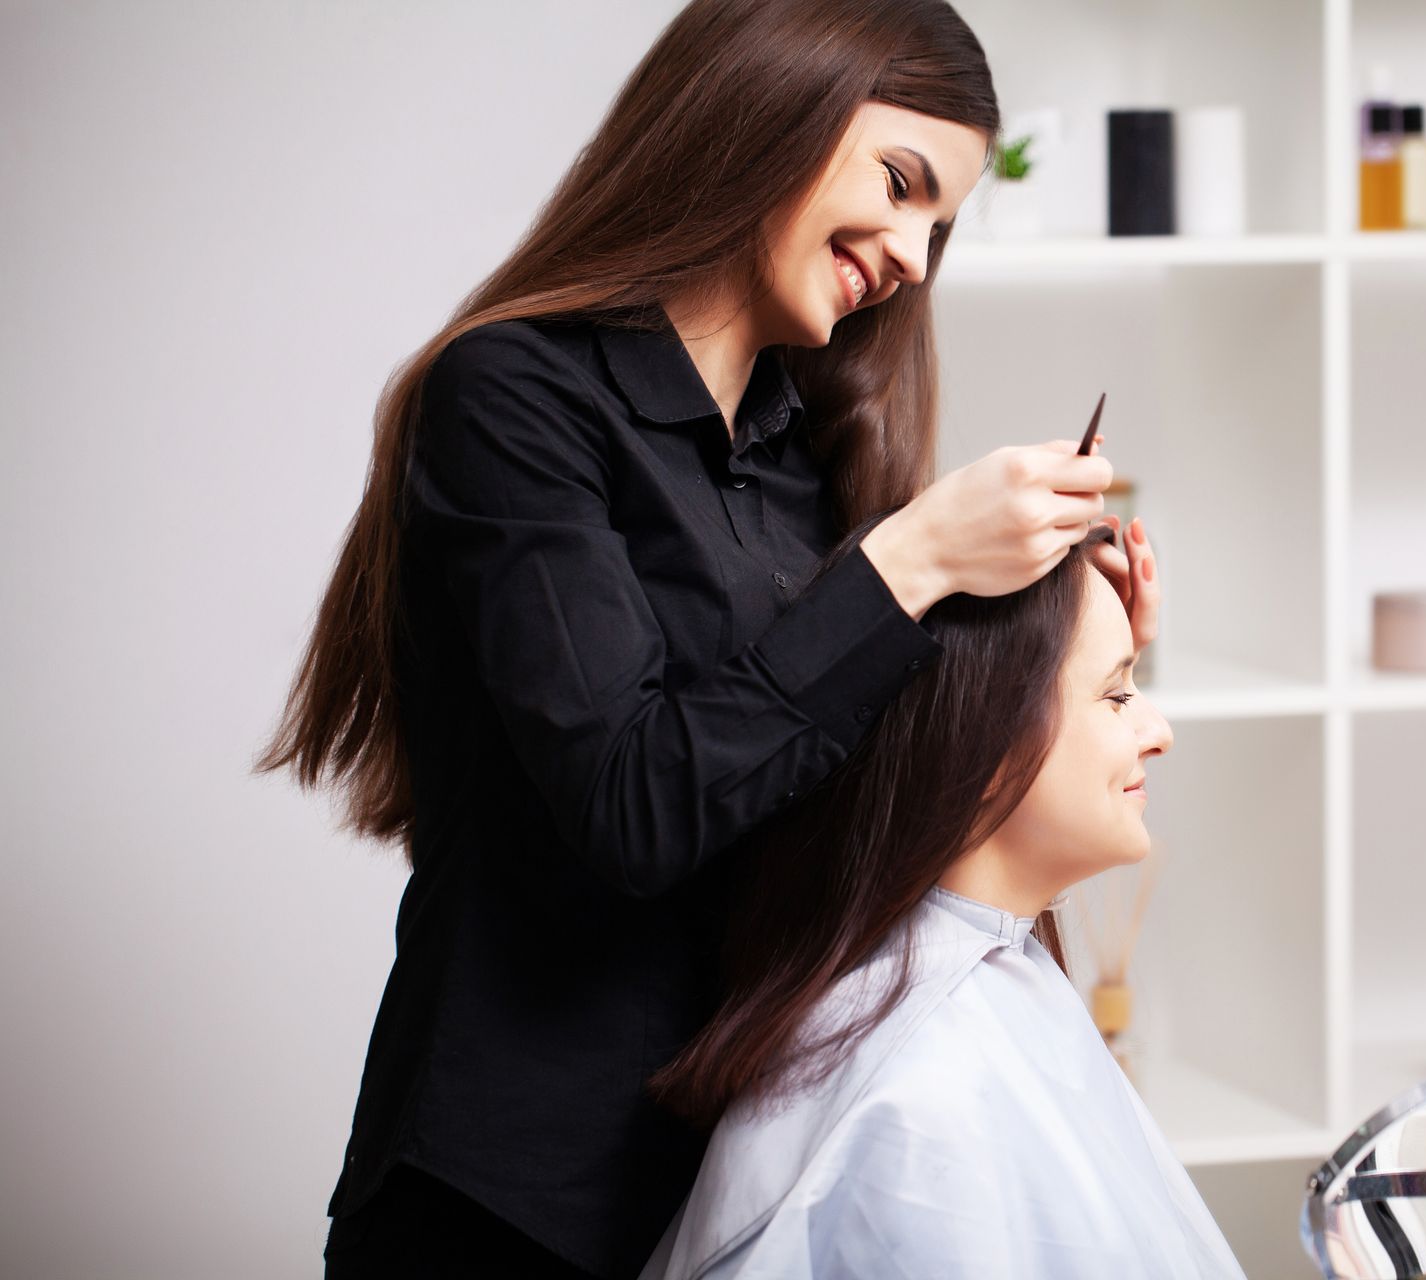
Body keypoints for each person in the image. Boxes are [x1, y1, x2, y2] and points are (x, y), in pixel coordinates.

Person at [252, 1, 1160, 1276]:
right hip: (510, 1199)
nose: (909, 251)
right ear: (771, 106)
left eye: (938, 226)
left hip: (750, 1173)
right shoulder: (514, 400)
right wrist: (913, 559)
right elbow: (635, 805)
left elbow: (853, 803)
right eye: (899, 185)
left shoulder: (815, 461)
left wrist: (1069, 667)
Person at [639, 526, 1241, 1279]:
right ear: (987, 745)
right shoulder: (921, 1115)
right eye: (1119, 693)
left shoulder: (963, 987)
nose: (1160, 732)